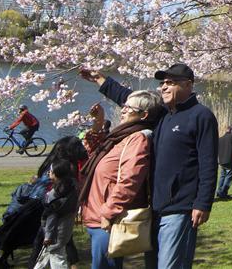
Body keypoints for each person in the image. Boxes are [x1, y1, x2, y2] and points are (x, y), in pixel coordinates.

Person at [81, 63, 219, 269]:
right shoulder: (163, 114)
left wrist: (203, 203)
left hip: (180, 208)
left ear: (188, 85)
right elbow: (132, 101)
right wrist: (101, 80)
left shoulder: (201, 116)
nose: (163, 87)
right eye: (162, 83)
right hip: (154, 208)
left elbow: (208, 163)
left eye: (170, 83)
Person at [79, 93, 160, 269]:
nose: (123, 110)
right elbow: (92, 152)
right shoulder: (121, 135)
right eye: (124, 106)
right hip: (96, 215)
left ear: (143, 115)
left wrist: (109, 211)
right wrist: (99, 122)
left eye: (129, 108)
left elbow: (130, 180)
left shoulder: (137, 138)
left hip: (108, 220)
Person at [32, 159, 78, 269]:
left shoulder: (55, 195)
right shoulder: (72, 188)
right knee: (46, 254)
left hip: (56, 232)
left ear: (57, 174)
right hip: (66, 228)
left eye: (51, 171)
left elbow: (52, 215)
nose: (49, 173)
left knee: (57, 257)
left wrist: (48, 235)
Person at [216, 126, 232, 199]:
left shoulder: (220, 139)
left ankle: (219, 191)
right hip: (229, 161)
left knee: (222, 176)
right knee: (229, 177)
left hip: (221, 161)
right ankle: (223, 192)